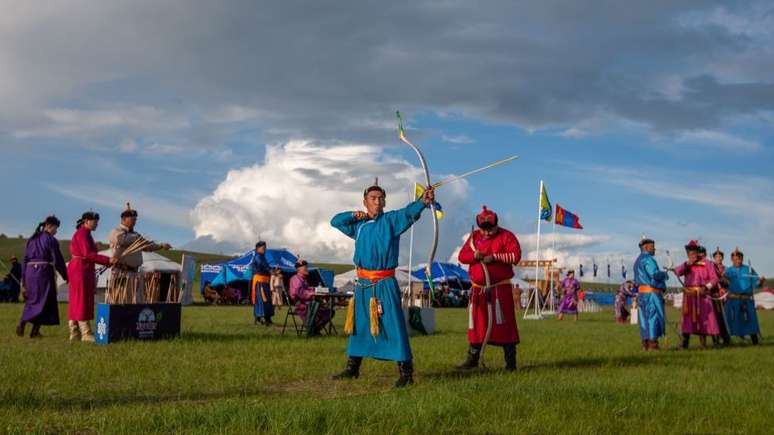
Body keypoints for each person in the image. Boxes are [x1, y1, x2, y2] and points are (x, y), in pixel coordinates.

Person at [330, 179, 434, 387]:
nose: (377, 201)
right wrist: (353, 214)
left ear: (385, 202)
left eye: (381, 198)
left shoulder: (391, 221)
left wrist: (422, 201)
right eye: (373, 198)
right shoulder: (357, 225)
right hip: (363, 284)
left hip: (385, 283)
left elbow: (408, 213)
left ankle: (406, 372)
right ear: (365, 201)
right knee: (360, 325)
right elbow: (335, 221)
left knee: (393, 324)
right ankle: (353, 368)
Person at [457, 205, 522, 371]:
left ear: (496, 225)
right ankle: (472, 359)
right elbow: (462, 256)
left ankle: (510, 363)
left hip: (499, 290)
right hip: (478, 290)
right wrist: (474, 255)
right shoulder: (474, 237)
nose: (486, 233)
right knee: (477, 325)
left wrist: (494, 258)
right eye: (483, 230)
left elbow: (515, 256)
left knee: (504, 324)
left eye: (490, 230)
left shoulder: (506, 236)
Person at [16, 216, 68, 338]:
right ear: (49, 226)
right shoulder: (51, 240)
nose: (56, 231)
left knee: (32, 300)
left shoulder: (31, 239)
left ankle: (29, 327)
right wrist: (65, 275)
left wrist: (23, 279)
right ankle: (29, 326)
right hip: (43, 273)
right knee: (45, 302)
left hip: (30, 273)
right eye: (56, 228)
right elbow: (58, 259)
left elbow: (24, 260)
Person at [107, 203, 171, 303]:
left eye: (135, 220)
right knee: (121, 301)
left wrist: (161, 245)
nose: (134, 222)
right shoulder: (116, 232)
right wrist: (137, 238)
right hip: (121, 272)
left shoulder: (136, 235)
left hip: (134, 272)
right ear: (124, 220)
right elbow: (121, 240)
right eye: (132, 220)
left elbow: (147, 245)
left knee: (135, 301)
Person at [68, 212, 117, 342]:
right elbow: (88, 254)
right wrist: (108, 260)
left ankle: (74, 332)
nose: (97, 224)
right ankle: (86, 333)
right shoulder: (83, 234)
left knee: (76, 299)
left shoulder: (84, 234)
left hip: (81, 268)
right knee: (81, 299)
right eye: (94, 221)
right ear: (86, 221)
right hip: (80, 269)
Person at [674, 240, 720, 349]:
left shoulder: (707, 263)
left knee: (710, 319)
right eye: (689, 253)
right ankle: (684, 344)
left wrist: (706, 287)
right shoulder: (687, 264)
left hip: (703, 295)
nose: (692, 255)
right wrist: (686, 265)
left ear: (697, 252)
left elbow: (714, 279)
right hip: (690, 296)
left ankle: (716, 343)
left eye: (693, 252)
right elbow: (677, 272)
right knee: (687, 320)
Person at [633, 237, 668, 350]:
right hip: (651, 294)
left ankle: (645, 344)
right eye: (653, 247)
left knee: (644, 319)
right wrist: (664, 274)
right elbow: (654, 274)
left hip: (642, 294)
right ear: (646, 247)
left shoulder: (637, 260)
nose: (654, 249)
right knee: (653, 318)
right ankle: (653, 344)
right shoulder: (648, 259)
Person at [723, 248, 764, 344]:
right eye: (735, 259)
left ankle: (755, 342)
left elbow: (756, 283)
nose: (737, 260)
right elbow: (723, 282)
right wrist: (723, 279)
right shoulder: (728, 271)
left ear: (742, 259)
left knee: (750, 320)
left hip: (747, 300)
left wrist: (761, 281)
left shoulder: (748, 269)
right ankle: (727, 342)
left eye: (739, 258)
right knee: (732, 320)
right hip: (733, 300)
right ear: (732, 260)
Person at [289, 259, 331, 336]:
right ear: (298, 269)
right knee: (324, 310)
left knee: (329, 311)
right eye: (305, 267)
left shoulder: (303, 279)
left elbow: (308, 289)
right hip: (302, 305)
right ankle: (312, 329)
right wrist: (313, 293)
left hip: (308, 303)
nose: (307, 269)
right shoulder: (295, 279)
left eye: (306, 267)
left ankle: (314, 329)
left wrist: (317, 290)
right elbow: (299, 293)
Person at [710, 247, 731, 346]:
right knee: (714, 318)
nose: (718, 258)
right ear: (714, 258)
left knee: (723, 318)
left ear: (722, 258)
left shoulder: (726, 269)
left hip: (723, 296)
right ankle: (716, 339)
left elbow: (728, 282)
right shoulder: (710, 267)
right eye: (716, 257)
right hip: (713, 296)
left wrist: (721, 279)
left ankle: (726, 338)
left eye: (720, 256)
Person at [250, 241, 274, 325]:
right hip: (259, 282)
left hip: (265, 282)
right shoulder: (258, 257)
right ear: (257, 249)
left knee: (267, 300)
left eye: (265, 248)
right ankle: (259, 317)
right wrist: (271, 270)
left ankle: (267, 317)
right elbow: (263, 265)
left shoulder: (263, 257)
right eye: (263, 248)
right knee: (262, 299)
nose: (265, 249)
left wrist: (273, 270)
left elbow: (267, 266)